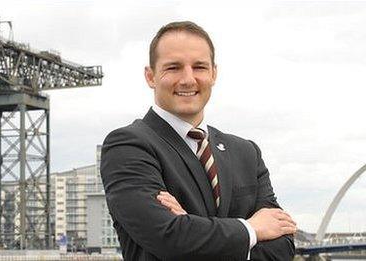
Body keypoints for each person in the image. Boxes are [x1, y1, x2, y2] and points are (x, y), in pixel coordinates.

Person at [100, 21, 296, 261]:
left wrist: (193, 230)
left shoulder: (246, 153)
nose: (188, 79)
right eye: (173, 67)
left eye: (199, 67)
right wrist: (252, 229)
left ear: (214, 73)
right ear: (150, 76)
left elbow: (283, 248)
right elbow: (171, 239)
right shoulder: (128, 146)